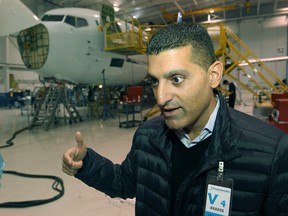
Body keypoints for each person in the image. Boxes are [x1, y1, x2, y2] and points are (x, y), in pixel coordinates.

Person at [62, 23, 288, 215]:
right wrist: (87, 164)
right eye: (155, 81)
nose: (161, 97)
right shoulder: (147, 135)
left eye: (176, 79)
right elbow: (125, 182)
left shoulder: (271, 152)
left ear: (214, 75)